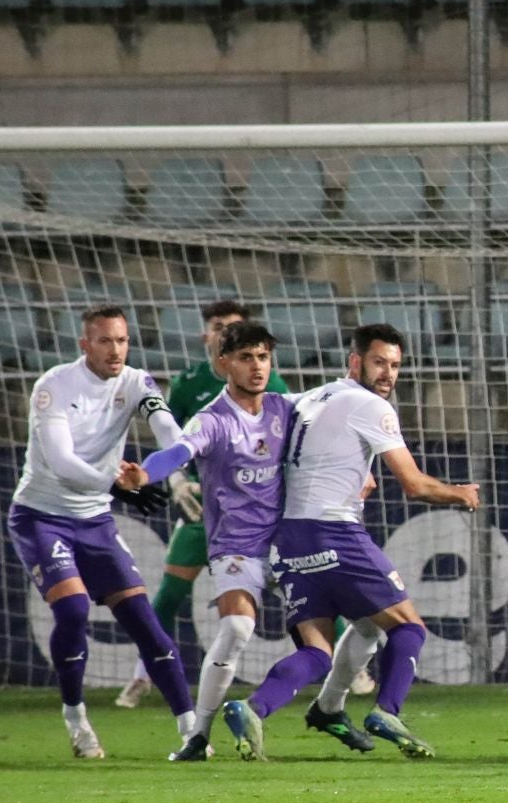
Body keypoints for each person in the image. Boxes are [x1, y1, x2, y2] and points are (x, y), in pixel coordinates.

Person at [223, 325, 478, 762]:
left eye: (395, 365)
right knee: (408, 627)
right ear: (355, 361)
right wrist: (461, 494)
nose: (388, 373)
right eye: (379, 363)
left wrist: (355, 472)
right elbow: (414, 484)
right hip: (334, 533)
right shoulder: (372, 406)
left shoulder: (309, 399)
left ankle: (258, 708)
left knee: (323, 648)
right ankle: (387, 712)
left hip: (288, 539)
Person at [139, 322, 372, 761]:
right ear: (224, 363)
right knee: (236, 628)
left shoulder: (285, 408)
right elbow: (178, 452)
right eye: (246, 357)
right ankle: (197, 736)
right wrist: (145, 473)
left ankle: (332, 707)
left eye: (263, 357)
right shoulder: (212, 420)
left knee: (352, 631)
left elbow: (331, 417)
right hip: (237, 547)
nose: (257, 366)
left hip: (289, 545)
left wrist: (361, 469)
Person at [7, 305, 196, 759]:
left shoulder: (136, 382)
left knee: (145, 624)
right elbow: (61, 461)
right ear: (85, 344)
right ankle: (76, 719)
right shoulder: (54, 386)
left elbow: (168, 430)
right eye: (105, 341)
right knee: (73, 609)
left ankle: (193, 731)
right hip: (42, 516)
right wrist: (114, 485)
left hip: (95, 520)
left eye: (122, 341)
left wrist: (158, 473)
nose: (116, 350)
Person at [116, 299, 288, 710]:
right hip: (208, 511)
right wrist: (166, 478)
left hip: (270, 519)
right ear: (212, 341)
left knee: (317, 589)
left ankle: (348, 671)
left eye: (261, 355)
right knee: (173, 597)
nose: (256, 364)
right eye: (221, 328)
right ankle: (145, 676)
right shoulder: (195, 392)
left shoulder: (279, 396)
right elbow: (175, 443)